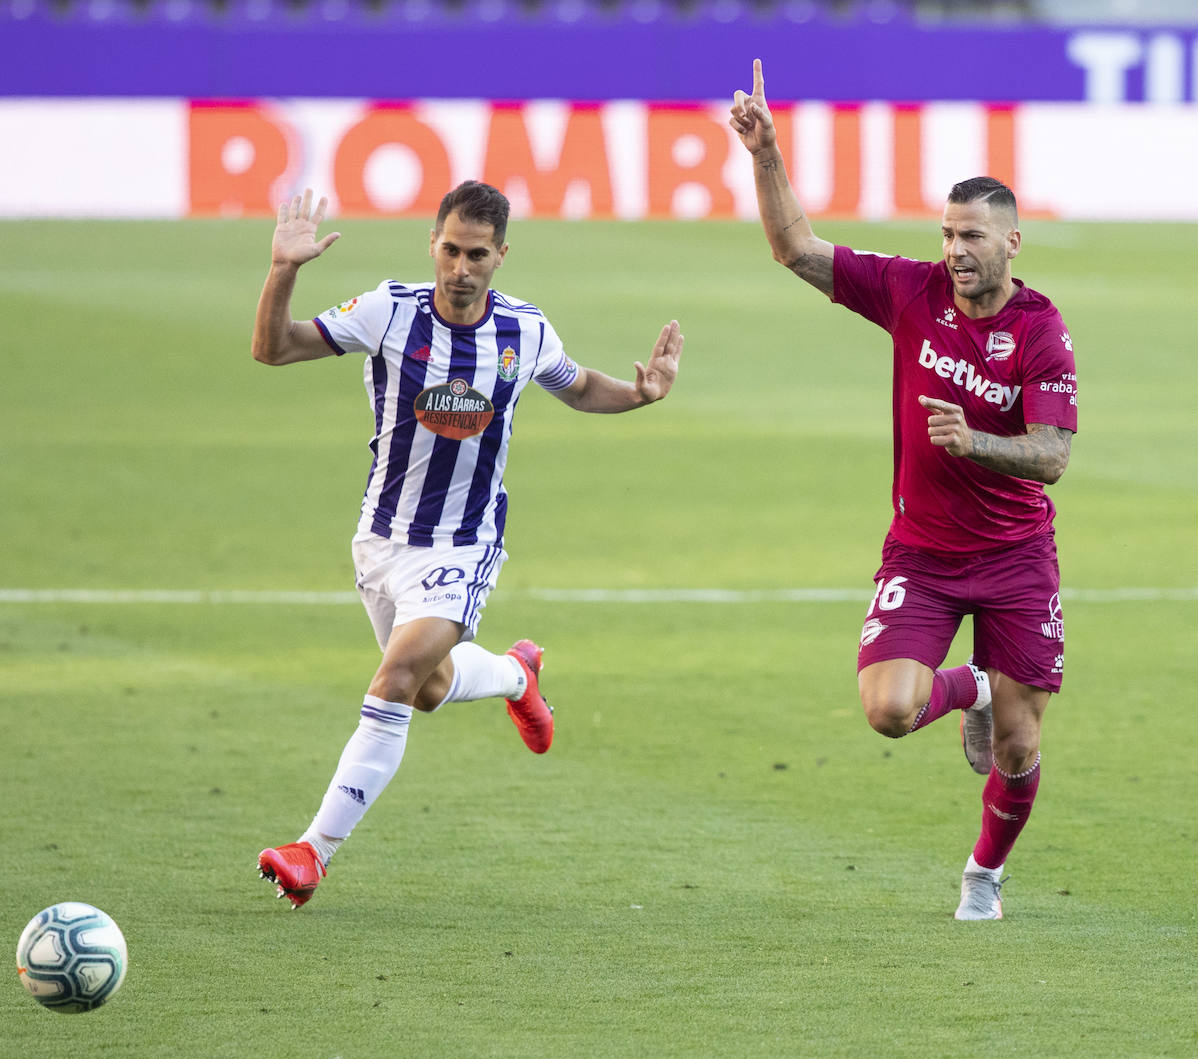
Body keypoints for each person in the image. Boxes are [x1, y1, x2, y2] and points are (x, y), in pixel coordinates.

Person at [250, 182, 683, 908]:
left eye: (477, 254)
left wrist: (638, 394)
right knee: (430, 689)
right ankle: (519, 676)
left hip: (464, 542)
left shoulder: (524, 331)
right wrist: (284, 269)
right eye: (450, 249)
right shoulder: (389, 310)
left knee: (393, 680)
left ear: (501, 255)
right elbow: (271, 350)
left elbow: (576, 388)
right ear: (433, 243)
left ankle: (312, 852)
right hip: (382, 540)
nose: (460, 267)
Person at [730, 60, 1077, 920]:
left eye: (972, 237)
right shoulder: (910, 289)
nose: (955, 251)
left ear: (1011, 244)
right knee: (888, 711)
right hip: (922, 549)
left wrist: (977, 443)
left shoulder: (1040, 332)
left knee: (1023, 746)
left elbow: (1053, 455)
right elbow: (794, 250)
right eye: (948, 234)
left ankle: (983, 878)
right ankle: (975, 685)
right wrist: (766, 154)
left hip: (1016, 555)